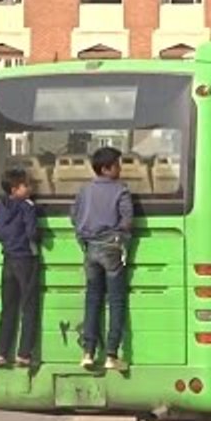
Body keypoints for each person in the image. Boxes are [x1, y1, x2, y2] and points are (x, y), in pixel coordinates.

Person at [70, 147, 134, 372]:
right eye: (117, 164)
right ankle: (111, 355)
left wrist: (85, 234)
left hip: (89, 248)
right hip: (111, 248)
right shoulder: (121, 190)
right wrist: (119, 235)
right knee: (116, 301)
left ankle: (88, 352)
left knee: (92, 300)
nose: (120, 168)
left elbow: (73, 216)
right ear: (106, 169)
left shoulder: (84, 190)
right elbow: (127, 219)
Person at [0, 168, 41, 369]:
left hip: (8, 259)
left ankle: (0, 354)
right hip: (25, 260)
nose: (30, 188)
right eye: (26, 185)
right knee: (29, 307)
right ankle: (24, 354)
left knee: (8, 308)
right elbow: (32, 233)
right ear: (15, 189)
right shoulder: (27, 206)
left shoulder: (0, 206)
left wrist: (8, 240)